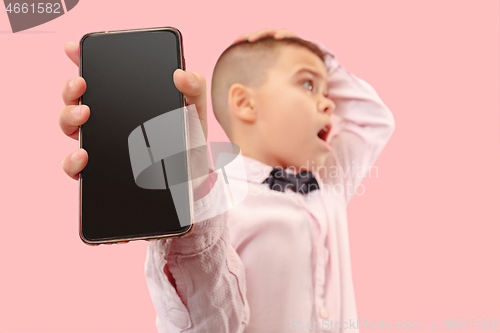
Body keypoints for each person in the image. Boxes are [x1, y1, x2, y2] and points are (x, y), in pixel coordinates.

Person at [60, 28, 395, 333]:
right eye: (308, 85)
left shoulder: (328, 183)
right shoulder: (209, 202)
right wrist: (190, 201)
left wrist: (316, 54)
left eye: (327, 90)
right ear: (245, 103)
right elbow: (210, 322)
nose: (329, 104)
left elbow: (373, 120)